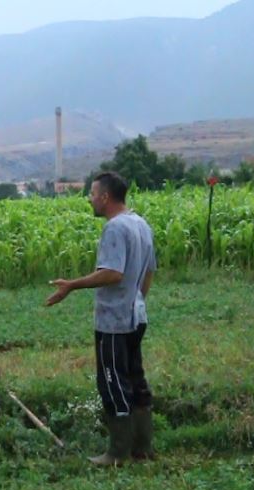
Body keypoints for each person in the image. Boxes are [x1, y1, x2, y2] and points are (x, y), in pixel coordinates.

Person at [45, 171, 157, 465]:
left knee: (112, 381)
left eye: (93, 194)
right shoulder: (141, 224)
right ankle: (142, 447)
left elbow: (112, 272)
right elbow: (149, 271)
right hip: (136, 315)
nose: (90, 199)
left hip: (114, 321)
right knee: (135, 378)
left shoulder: (115, 229)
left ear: (106, 197)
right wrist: (138, 299)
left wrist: (71, 285)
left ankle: (117, 452)